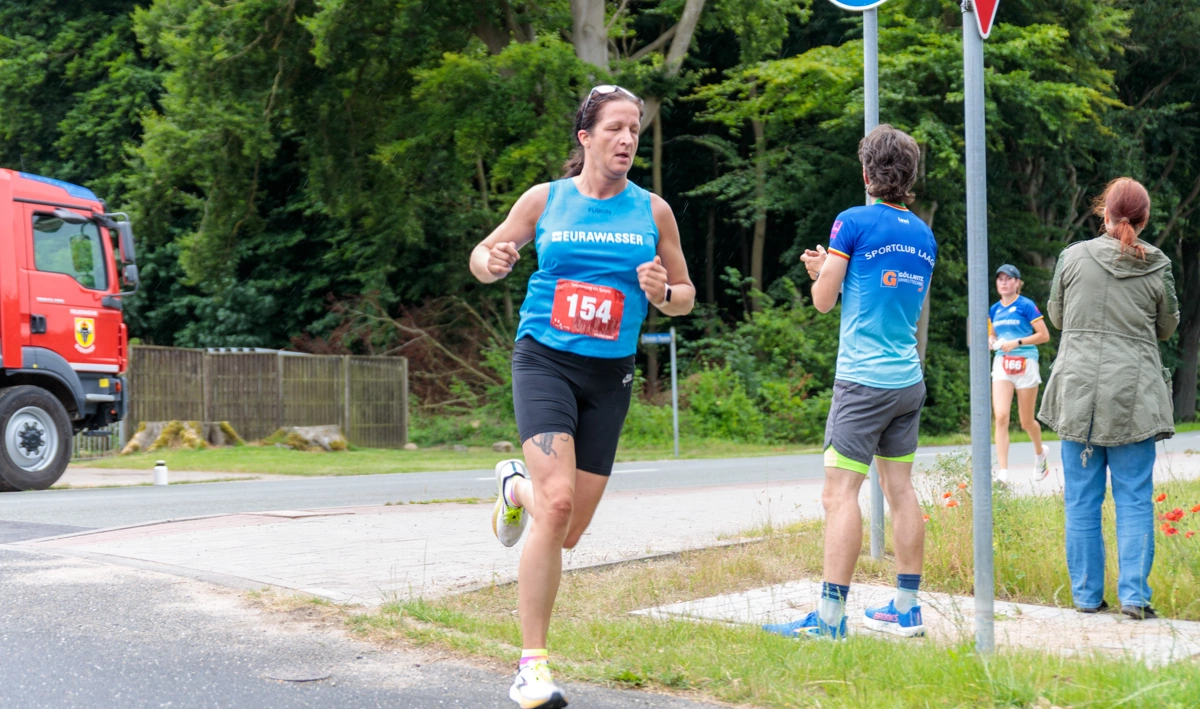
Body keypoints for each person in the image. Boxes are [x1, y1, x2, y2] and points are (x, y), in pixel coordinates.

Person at [469, 84, 695, 708]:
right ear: (586, 137)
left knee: (564, 530)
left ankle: (515, 489)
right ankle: (531, 667)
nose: (627, 140)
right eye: (616, 128)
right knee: (559, 501)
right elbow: (483, 254)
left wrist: (661, 293)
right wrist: (493, 262)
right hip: (544, 361)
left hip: (610, 374)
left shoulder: (654, 213)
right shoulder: (546, 200)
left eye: (635, 131)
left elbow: (685, 295)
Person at [764, 124, 937, 640]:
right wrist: (834, 269)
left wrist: (820, 271)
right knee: (900, 489)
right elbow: (881, 291)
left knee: (839, 496)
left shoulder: (851, 222)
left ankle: (830, 620)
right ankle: (906, 608)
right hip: (907, 379)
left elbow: (824, 300)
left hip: (862, 382)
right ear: (909, 177)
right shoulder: (923, 234)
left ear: (866, 174)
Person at [1038, 177, 1178, 620]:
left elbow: (1057, 317)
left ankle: (1085, 597)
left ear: (1104, 213)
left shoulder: (1073, 258)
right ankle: (1134, 598)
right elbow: (1166, 327)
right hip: (1134, 394)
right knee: (1134, 498)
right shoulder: (1157, 266)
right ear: (1144, 218)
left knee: (1081, 498)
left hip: (1079, 391)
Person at [988, 264, 1052, 485]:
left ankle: (1039, 453)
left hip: (1026, 363)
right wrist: (992, 342)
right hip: (1002, 364)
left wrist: (1018, 342)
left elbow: (1044, 335)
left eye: (1009, 279)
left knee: (1026, 421)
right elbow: (992, 335)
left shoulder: (1026, 305)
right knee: (1002, 416)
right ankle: (1003, 472)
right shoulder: (994, 309)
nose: (1004, 283)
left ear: (1017, 283)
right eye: (1000, 279)